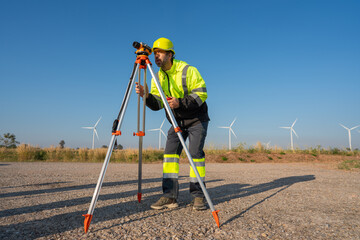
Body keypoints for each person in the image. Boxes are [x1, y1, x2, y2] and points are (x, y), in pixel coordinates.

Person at [135, 37, 210, 211]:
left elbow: (202, 93)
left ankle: (198, 197)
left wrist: (180, 103)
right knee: (169, 155)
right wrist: (146, 96)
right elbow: (158, 104)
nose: (156, 56)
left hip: (197, 119)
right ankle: (169, 196)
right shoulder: (158, 76)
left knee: (195, 155)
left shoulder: (187, 70)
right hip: (177, 122)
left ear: (170, 54)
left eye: (159, 53)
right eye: (154, 53)